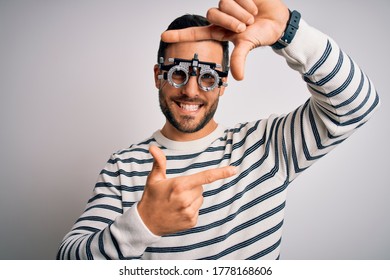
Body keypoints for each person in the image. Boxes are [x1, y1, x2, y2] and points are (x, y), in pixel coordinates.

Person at [57, 0, 380, 260]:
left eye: (209, 77)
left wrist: (290, 33)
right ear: (158, 75)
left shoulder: (266, 146)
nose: (192, 92)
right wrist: (144, 224)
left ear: (223, 83)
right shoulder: (123, 166)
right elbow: (68, 260)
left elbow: (357, 105)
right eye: (179, 74)